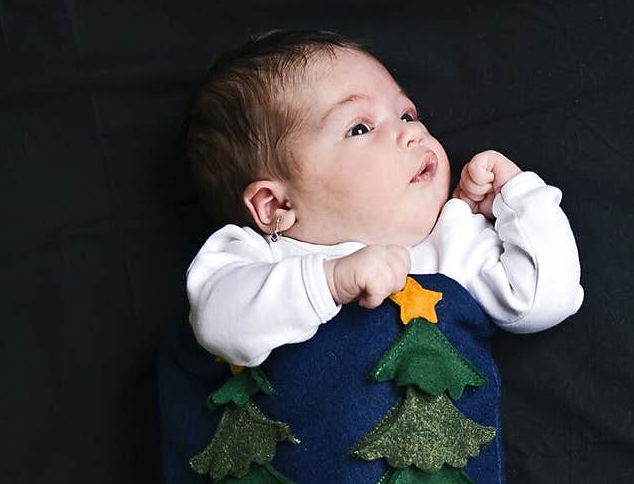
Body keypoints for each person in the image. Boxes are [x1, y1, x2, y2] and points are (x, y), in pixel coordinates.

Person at [184, 29, 583, 367]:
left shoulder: (453, 239)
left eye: (407, 114)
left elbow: (545, 298)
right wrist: (331, 281)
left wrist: (517, 196)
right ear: (276, 206)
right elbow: (217, 323)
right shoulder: (258, 260)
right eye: (360, 128)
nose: (412, 132)